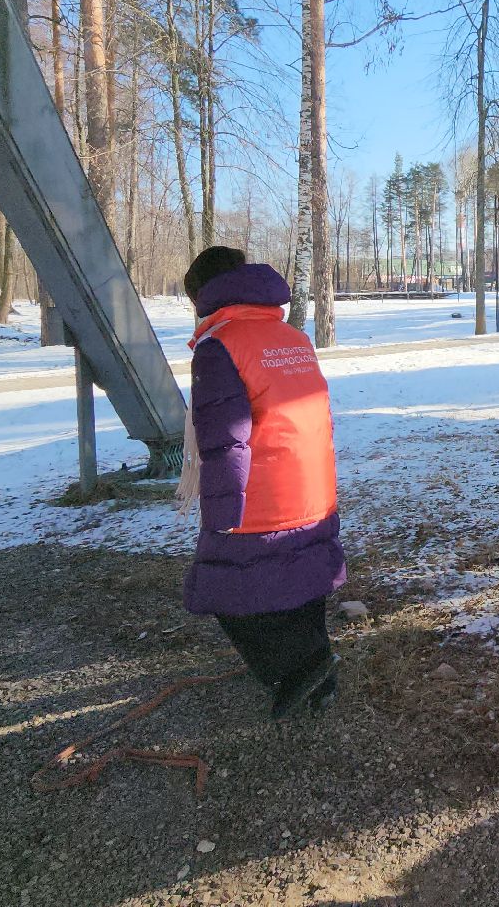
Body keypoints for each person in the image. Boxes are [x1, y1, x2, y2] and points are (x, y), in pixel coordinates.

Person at [179, 247, 345, 721]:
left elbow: (224, 440)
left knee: (225, 589)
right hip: (313, 487)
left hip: (261, 497)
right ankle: (320, 672)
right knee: (304, 580)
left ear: (205, 296)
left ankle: (294, 672)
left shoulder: (220, 347)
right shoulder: (292, 337)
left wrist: (222, 517)